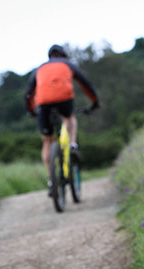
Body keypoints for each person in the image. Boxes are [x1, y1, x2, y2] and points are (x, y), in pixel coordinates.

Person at [25, 44, 99, 194]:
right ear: (63, 56)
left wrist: (31, 111)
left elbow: (28, 94)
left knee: (47, 140)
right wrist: (95, 102)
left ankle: (51, 180)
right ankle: (72, 145)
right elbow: (86, 84)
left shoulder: (40, 69)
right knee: (69, 118)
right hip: (64, 100)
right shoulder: (67, 64)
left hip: (43, 104)